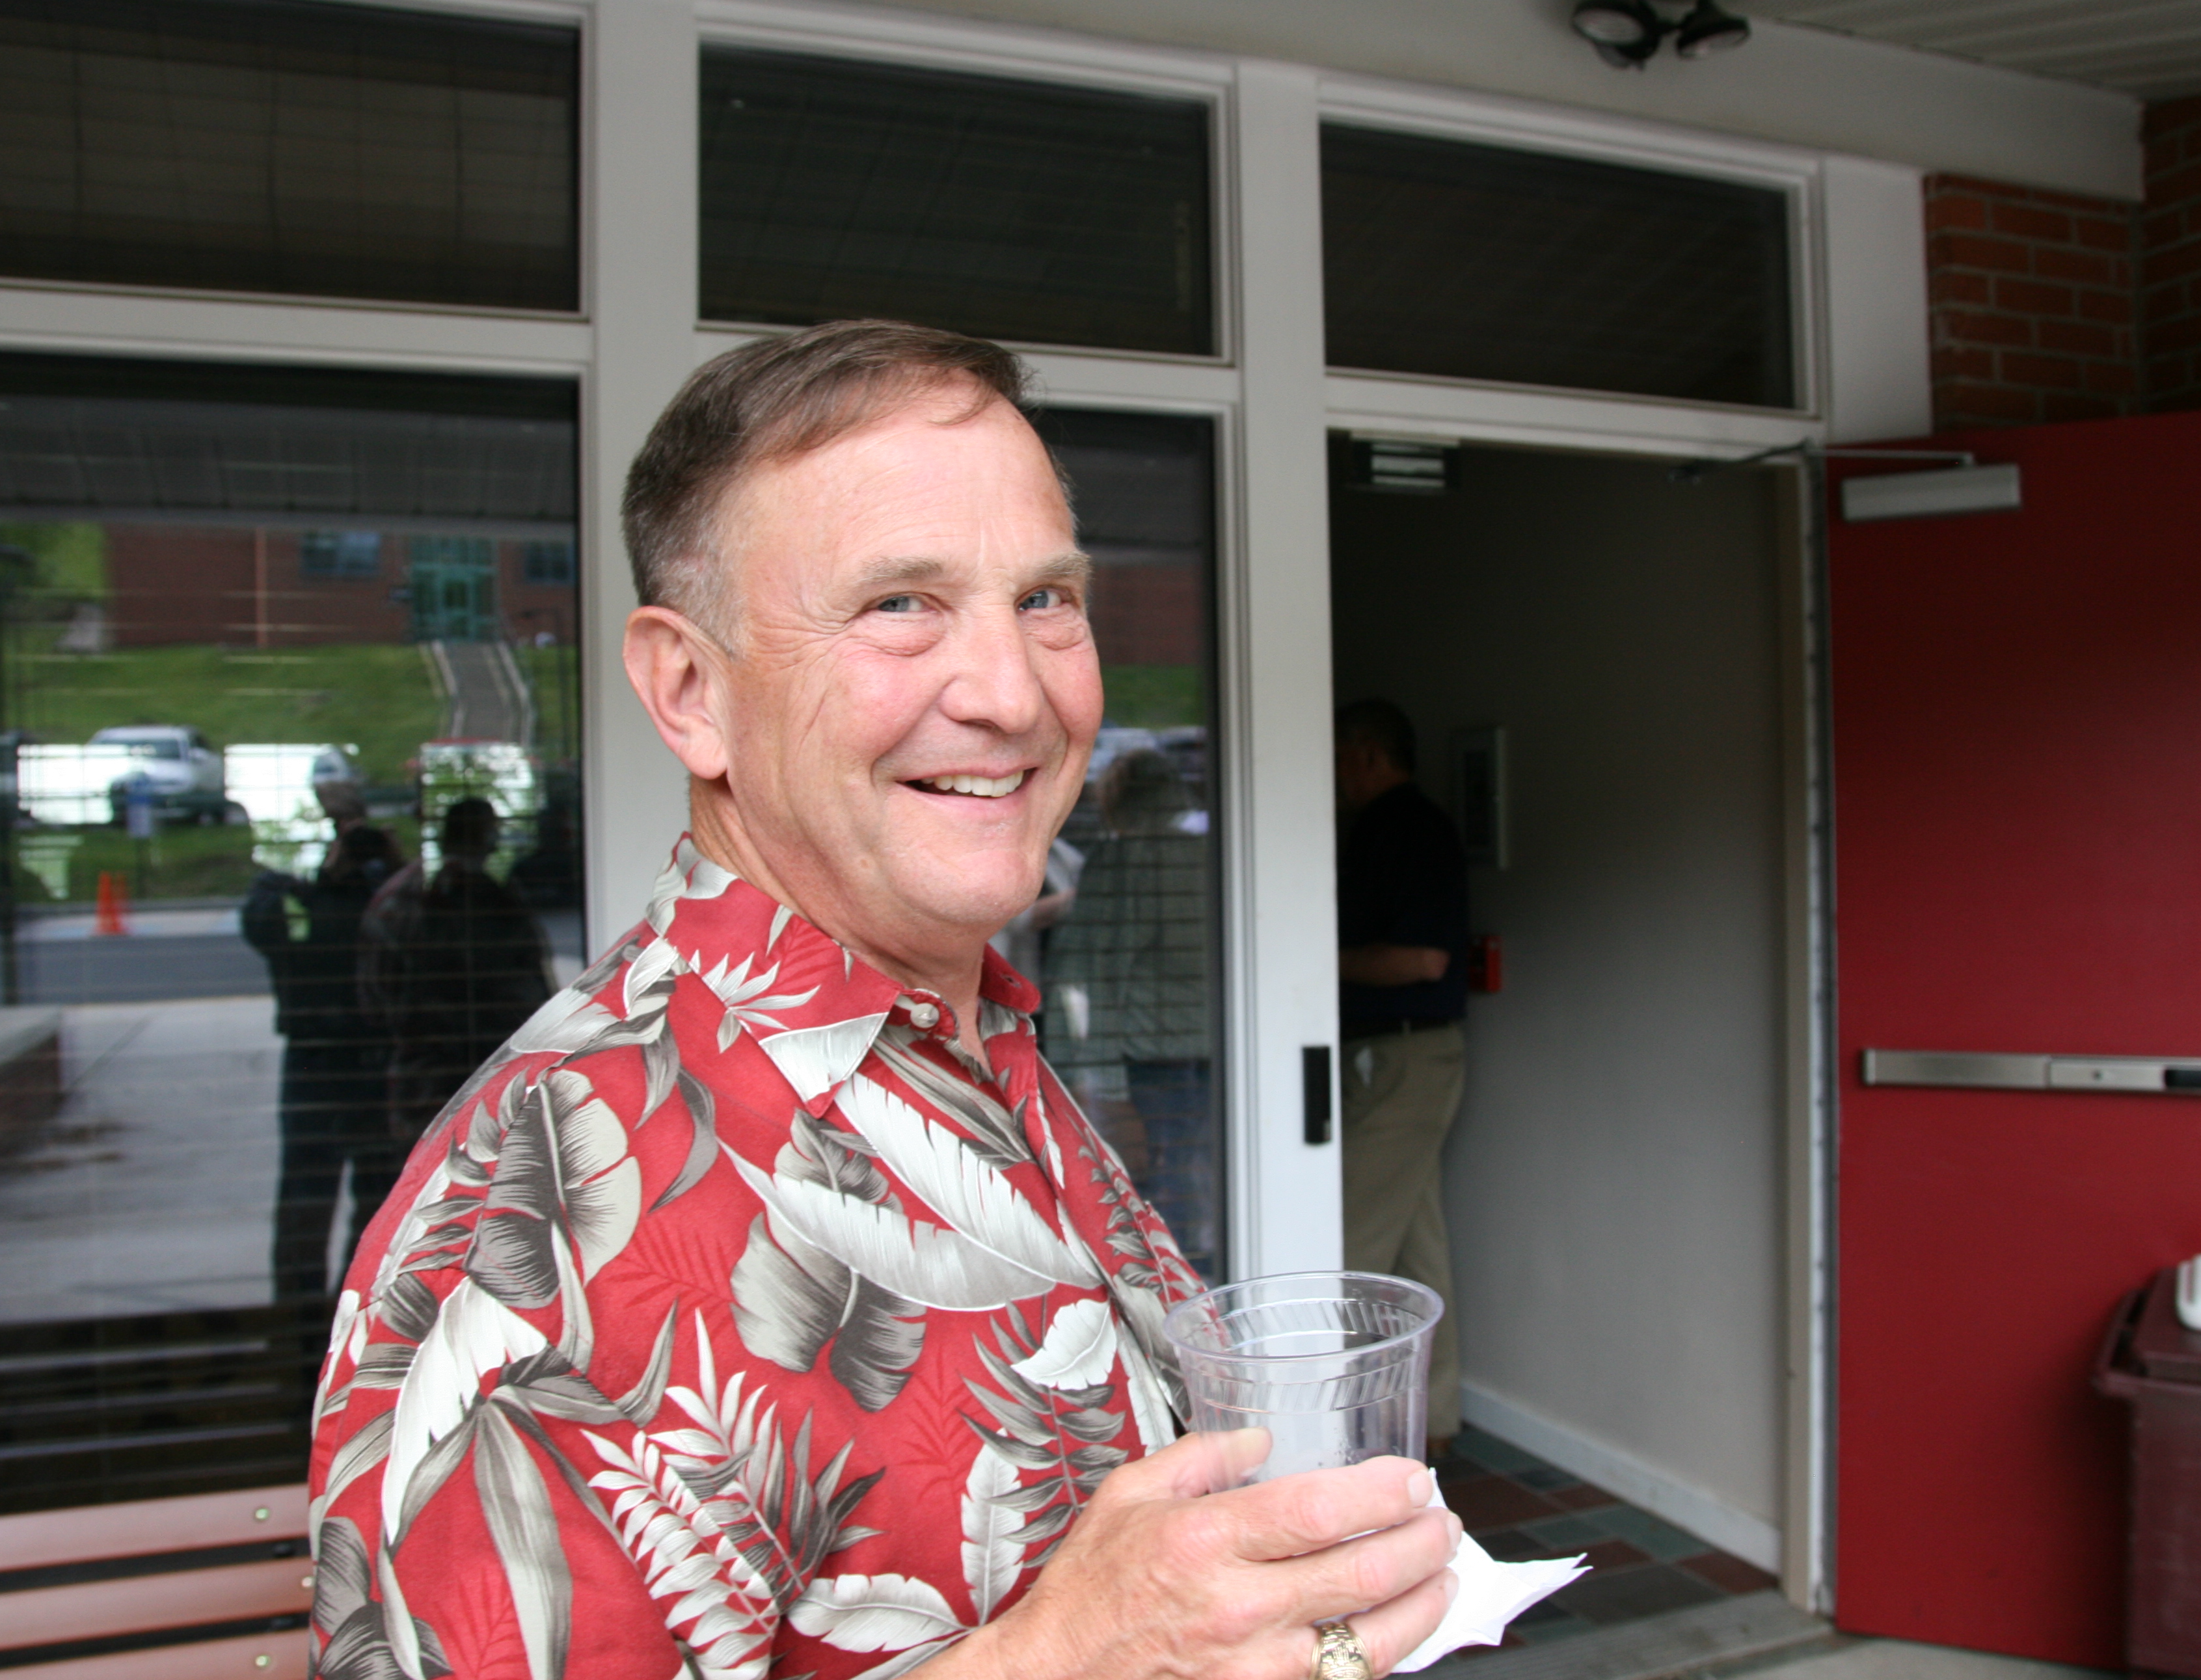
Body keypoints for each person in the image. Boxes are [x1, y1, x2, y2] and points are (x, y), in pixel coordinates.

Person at [306, 321, 1458, 1680]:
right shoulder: (538, 1220)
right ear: (690, 689)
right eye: (900, 603)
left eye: (1046, 598)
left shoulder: (975, 1037)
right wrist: (1063, 1660)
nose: (1013, 694)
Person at [1333, 698, 1470, 1456]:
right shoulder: (1389, 828)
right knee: (1420, 1248)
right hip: (1405, 1056)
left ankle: (1337, 1427)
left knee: (1350, 1240)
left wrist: (1317, 959)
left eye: (1339, 755)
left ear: (1369, 755)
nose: (1333, 772)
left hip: (1405, 1057)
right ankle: (1434, 1420)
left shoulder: (1408, 830)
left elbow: (1423, 959)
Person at [240, 791, 402, 1382]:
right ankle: (325, 1329)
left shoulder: (311, 909)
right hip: (349, 1066)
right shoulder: (377, 908)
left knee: (326, 1204)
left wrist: (326, 876)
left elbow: (260, 917)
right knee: (354, 1204)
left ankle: (310, 1329)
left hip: (325, 1068)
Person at [1043, 748, 1218, 1275]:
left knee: (1152, 1196)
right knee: (1197, 1184)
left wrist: (1096, 1085)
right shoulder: (1215, 856)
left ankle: (1172, 1303)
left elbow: (1089, 978)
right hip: (1213, 1058)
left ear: (1117, 800)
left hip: (1148, 1070)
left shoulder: (1128, 862)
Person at [358, 794, 556, 1147]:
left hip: (443, 1074)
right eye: (491, 830)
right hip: (461, 1075)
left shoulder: (404, 899)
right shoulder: (425, 899)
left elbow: (375, 992)